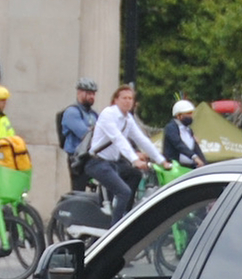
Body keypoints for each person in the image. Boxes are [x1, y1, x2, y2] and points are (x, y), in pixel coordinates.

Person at [82, 82, 159, 218]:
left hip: (115, 161)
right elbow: (119, 140)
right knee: (124, 192)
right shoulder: (109, 116)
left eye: (131, 99)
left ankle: (126, 214)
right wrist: (134, 158)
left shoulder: (128, 119)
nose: (129, 102)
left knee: (135, 175)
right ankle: (116, 228)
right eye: (125, 98)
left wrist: (158, 157)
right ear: (115, 100)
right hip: (98, 162)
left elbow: (139, 138)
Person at [58, 80, 99, 162]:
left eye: (93, 94)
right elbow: (85, 134)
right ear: (79, 93)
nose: (92, 96)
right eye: (89, 93)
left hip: (90, 155)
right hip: (76, 157)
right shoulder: (72, 112)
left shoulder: (93, 114)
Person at [163, 99, 206, 169]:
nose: (191, 116)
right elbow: (179, 144)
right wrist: (194, 157)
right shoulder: (170, 128)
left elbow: (195, 147)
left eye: (191, 113)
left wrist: (204, 163)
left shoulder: (188, 129)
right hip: (176, 168)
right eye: (188, 113)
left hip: (190, 167)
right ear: (178, 116)